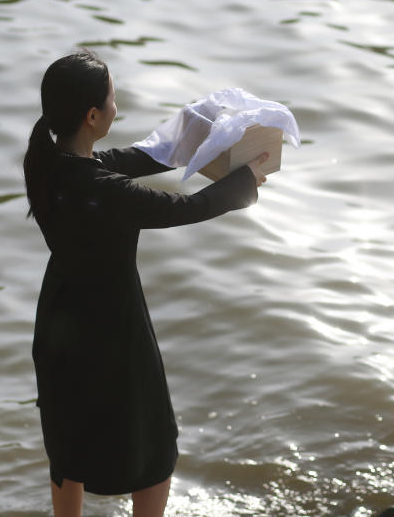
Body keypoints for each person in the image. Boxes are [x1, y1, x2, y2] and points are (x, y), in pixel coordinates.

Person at [23, 50, 269, 517]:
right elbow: (186, 209)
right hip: (112, 328)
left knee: (68, 435)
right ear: (93, 115)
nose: (118, 106)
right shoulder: (106, 190)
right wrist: (246, 179)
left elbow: (137, 157)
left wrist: (191, 128)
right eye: (113, 98)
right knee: (154, 448)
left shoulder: (46, 166)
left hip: (59, 320)